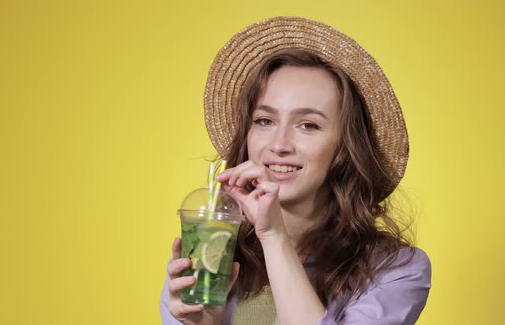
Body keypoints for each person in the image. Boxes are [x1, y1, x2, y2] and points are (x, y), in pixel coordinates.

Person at [161, 16, 431, 325]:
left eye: (308, 125)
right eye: (265, 120)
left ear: (345, 148)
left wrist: (273, 235)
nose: (279, 144)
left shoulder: (395, 270)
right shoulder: (209, 251)